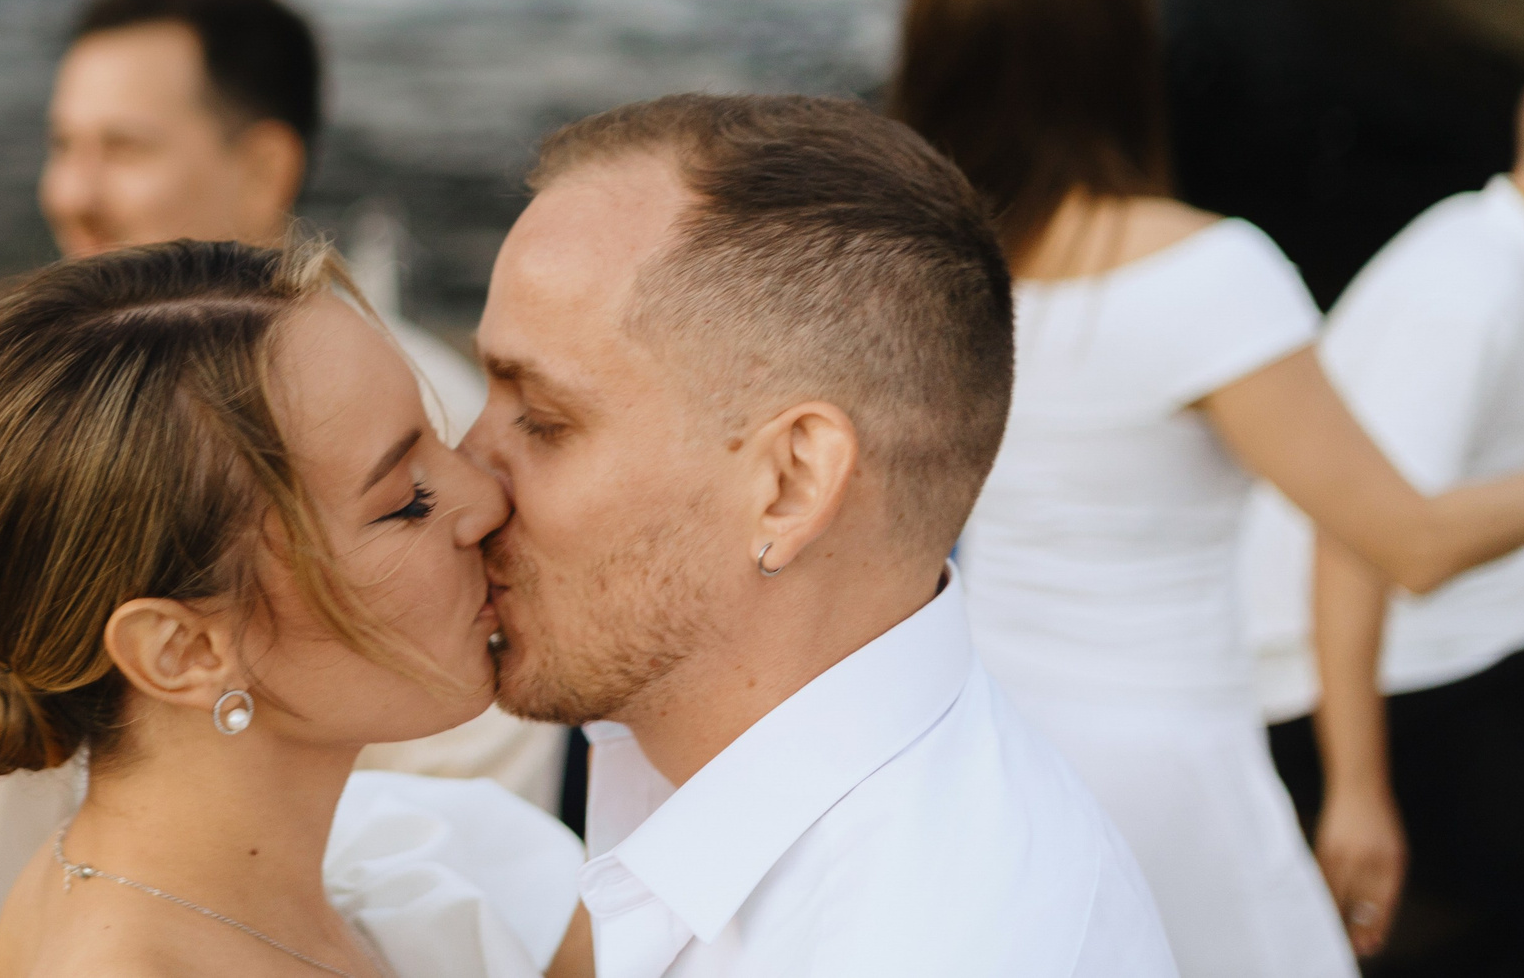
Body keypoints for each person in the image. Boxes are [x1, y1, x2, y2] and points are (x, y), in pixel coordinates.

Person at [0, 0, 563, 978]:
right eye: (61, 147)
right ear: (178, 648)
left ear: (265, 166)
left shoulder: (419, 426)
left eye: (123, 147)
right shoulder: (59, 430)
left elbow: (469, 845)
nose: (71, 194)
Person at [888, 0, 1524, 978]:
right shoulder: (1209, 276)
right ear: (1124, 40)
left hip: (978, 752)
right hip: (1168, 781)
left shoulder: (918, 280)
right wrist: (1359, 787)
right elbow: (1410, 543)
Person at [469, 91, 1176, 977]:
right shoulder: (690, 759)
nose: (463, 483)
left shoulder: (933, 944)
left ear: (791, 484)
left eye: (540, 419)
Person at [0, 236, 585, 978]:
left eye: (440, 438)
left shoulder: (366, 860)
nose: (485, 499)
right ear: (184, 651)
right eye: (406, 501)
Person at [1241, 68, 1524, 969]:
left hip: (1474, 640)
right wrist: (1357, 792)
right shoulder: (1466, 291)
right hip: (1361, 675)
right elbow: (1354, 542)